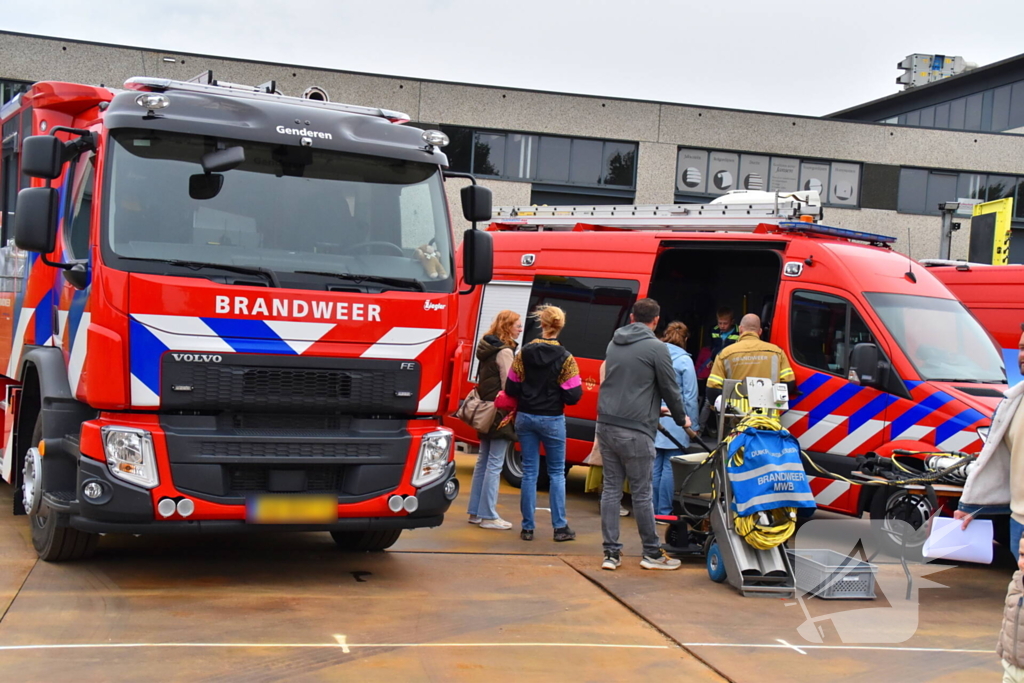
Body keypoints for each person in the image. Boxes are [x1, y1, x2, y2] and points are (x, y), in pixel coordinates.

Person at [596, 298, 690, 571]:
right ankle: (651, 552)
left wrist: (653, 408)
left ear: (632, 317)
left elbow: (628, 383)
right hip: (636, 430)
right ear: (656, 320)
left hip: (607, 424)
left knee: (611, 490)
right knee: (641, 493)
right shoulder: (657, 348)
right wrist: (680, 417)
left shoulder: (614, 343)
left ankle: (611, 554)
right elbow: (670, 388)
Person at [505, 305, 583, 542]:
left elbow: (511, 386)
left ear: (543, 324)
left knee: (529, 471)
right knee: (557, 473)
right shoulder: (566, 358)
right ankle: (560, 528)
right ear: (560, 326)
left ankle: (527, 527)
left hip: (526, 417)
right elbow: (574, 395)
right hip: (552, 418)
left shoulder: (524, 353)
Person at [955, 325, 1024, 563]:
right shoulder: (1011, 403)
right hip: (1018, 521)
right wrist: (972, 505)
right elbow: (995, 461)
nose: (1022, 355)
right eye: (1022, 348)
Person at [466, 310, 522, 531]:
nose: (520, 328)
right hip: (500, 414)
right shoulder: (505, 352)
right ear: (507, 327)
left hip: (485, 411)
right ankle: (488, 515)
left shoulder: (487, 349)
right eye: (517, 325)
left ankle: (475, 512)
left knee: (483, 462)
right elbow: (511, 385)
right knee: (494, 464)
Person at [653, 322, 700, 520]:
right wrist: (694, 426)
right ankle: (663, 512)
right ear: (686, 339)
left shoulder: (655, 354)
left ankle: (651, 510)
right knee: (669, 468)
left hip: (656, 417)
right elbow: (690, 396)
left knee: (655, 466)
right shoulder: (684, 361)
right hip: (676, 420)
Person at [706, 313, 796, 411]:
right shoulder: (777, 352)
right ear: (760, 331)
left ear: (740, 329)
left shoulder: (724, 354)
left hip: (736, 416)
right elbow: (789, 384)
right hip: (768, 417)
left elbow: (712, 390)